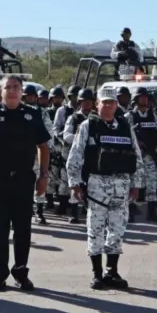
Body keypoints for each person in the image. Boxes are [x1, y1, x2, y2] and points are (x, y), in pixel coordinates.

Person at [0, 75, 51, 291]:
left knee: (23, 229)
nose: (12, 90)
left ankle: (21, 272)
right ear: (1, 91)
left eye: (16, 87)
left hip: (24, 180)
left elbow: (43, 147)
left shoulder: (32, 115)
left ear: (22, 90)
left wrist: (43, 177)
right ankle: (0, 272)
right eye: (8, 87)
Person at [67, 87, 144, 290]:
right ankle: (97, 273)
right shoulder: (88, 126)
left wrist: (136, 185)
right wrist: (75, 183)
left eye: (112, 103)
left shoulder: (125, 127)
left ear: (116, 105)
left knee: (117, 229)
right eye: (105, 102)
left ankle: (112, 271)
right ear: (97, 104)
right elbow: (75, 156)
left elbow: (136, 156)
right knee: (96, 229)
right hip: (96, 186)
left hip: (122, 186)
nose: (109, 106)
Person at [125, 87, 157, 223]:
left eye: (146, 97)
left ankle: (151, 212)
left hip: (149, 155)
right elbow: (124, 134)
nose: (145, 100)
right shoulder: (129, 116)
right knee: (132, 184)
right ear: (136, 99)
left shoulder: (153, 115)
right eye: (142, 97)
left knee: (152, 183)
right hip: (134, 156)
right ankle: (129, 212)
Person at [22, 84, 55, 225]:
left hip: (39, 152)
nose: (30, 98)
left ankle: (40, 212)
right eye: (27, 96)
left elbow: (49, 131)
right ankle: (26, 211)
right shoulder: (18, 111)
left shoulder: (42, 112)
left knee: (41, 181)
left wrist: (50, 148)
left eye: (32, 96)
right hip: (23, 154)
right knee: (24, 184)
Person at [62, 87, 95, 223]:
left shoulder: (96, 117)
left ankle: (89, 212)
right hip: (77, 155)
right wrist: (80, 138)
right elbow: (66, 135)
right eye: (83, 101)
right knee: (76, 183)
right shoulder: (73, 117)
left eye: (89, 101)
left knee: (92, 184)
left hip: (93, 156)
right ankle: (74, 213)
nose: (86, 104)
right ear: (79, 102)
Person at [53, 85, 80, 215]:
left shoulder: (83, 110)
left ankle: (77, 206)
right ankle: (63, 205)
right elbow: (56, 129)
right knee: (64, 178)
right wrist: (63, 140)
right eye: (75, 96)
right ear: (70, 97)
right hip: (65, 147)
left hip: (80, 149)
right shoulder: (62, 111)